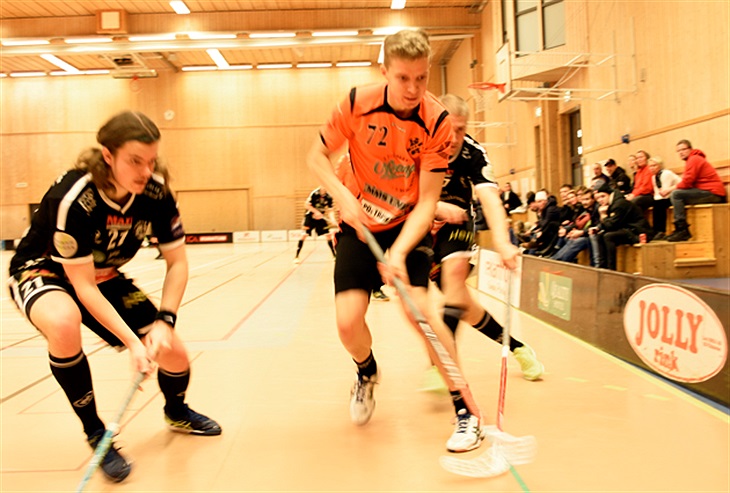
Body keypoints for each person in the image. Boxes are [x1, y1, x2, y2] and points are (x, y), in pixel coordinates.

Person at [7, 111, 221, 483]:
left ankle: (176, 411)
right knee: (64, 322)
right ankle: (96, 433)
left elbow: (177, 263)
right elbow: (82, 287)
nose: (145, 171)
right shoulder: (74, 198)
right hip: (44, 269)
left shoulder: (156, 192)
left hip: (103, 275)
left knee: (174, 353)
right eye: (135, 161)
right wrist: (133, 344)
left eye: (151, 160)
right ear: (108, 155)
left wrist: (165, 321)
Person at [306, 29, 485, 453]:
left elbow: (428, 202)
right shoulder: (356, 104)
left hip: (407, 224)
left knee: (420, 313)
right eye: (403, 78)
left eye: (421, 78)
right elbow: (316, 157)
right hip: (358, 225)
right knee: (348, 323)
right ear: (384, 71)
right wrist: (343, 196)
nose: (412, 89)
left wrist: (400, 251)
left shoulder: (436, 122)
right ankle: (366, 371)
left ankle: (467, 411)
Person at [426, 94, 541, 387]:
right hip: (421, 225)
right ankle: (517, 346)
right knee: (464, 306)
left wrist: (502, 242)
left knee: (454, 281)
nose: (454, 138)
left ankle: (443, 364)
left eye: (461, 129)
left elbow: (490, 199)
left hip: (458, 224)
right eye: (449, 129)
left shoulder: (473, 153)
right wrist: (434, 208)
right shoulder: (418, 144)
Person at [665, 140, 727, 242]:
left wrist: (669, 189)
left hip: (714, 193)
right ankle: (680, 229)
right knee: (676, 196)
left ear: (690, 149)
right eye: (678, 151)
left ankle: (682, 230)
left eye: (683, 149)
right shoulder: (692, 160)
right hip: (707, 191)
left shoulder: (694, 159)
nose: (681, 152)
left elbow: (687, 182)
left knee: (676, 195)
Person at [590, 183, 654, 270]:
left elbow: (612, 225)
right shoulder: (612, 204)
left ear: (610, 194)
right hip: (626, 228)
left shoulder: (619, 204)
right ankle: (602, 266)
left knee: (608, 236)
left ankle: (611, 269)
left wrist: (603, 216)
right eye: (598, 198)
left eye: (603, 196)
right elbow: (610, 222)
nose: (600, 200)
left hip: (637, 231)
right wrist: (599, 227)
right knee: (599, 236)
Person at [551, 188, 601, 265]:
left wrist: (580, 232)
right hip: (587, 233)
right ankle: (555, 260)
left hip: (595, 235)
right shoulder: (588, 209)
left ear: (593, 199)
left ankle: (560, 263)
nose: (584, 202)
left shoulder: (596, 209)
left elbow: (596, 226)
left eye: (587, 199)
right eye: (583, 200)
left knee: (578, 241)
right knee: (571, 239)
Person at [293, 186, 337, 263]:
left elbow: (330, 210)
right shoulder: (314, 193)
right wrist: (315, 212)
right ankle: (296, 256)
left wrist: (333, 219)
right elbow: (307, 205)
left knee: (328, 235)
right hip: (310, 217)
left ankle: (334, 256)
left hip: (320, 218)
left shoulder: (329, 197)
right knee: (304, 235)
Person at [647, 156, 680, 241]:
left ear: (660, 165)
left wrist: (657, 199)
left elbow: (665, 192)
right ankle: (656, 230)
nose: (652, 168)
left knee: (660, 203)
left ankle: (661, 230)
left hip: (676, 195)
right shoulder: (654, 177)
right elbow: (657, 192)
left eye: (654, 165)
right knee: (656, 203)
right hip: (664, 196)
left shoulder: (666, 174)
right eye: (650, 166)